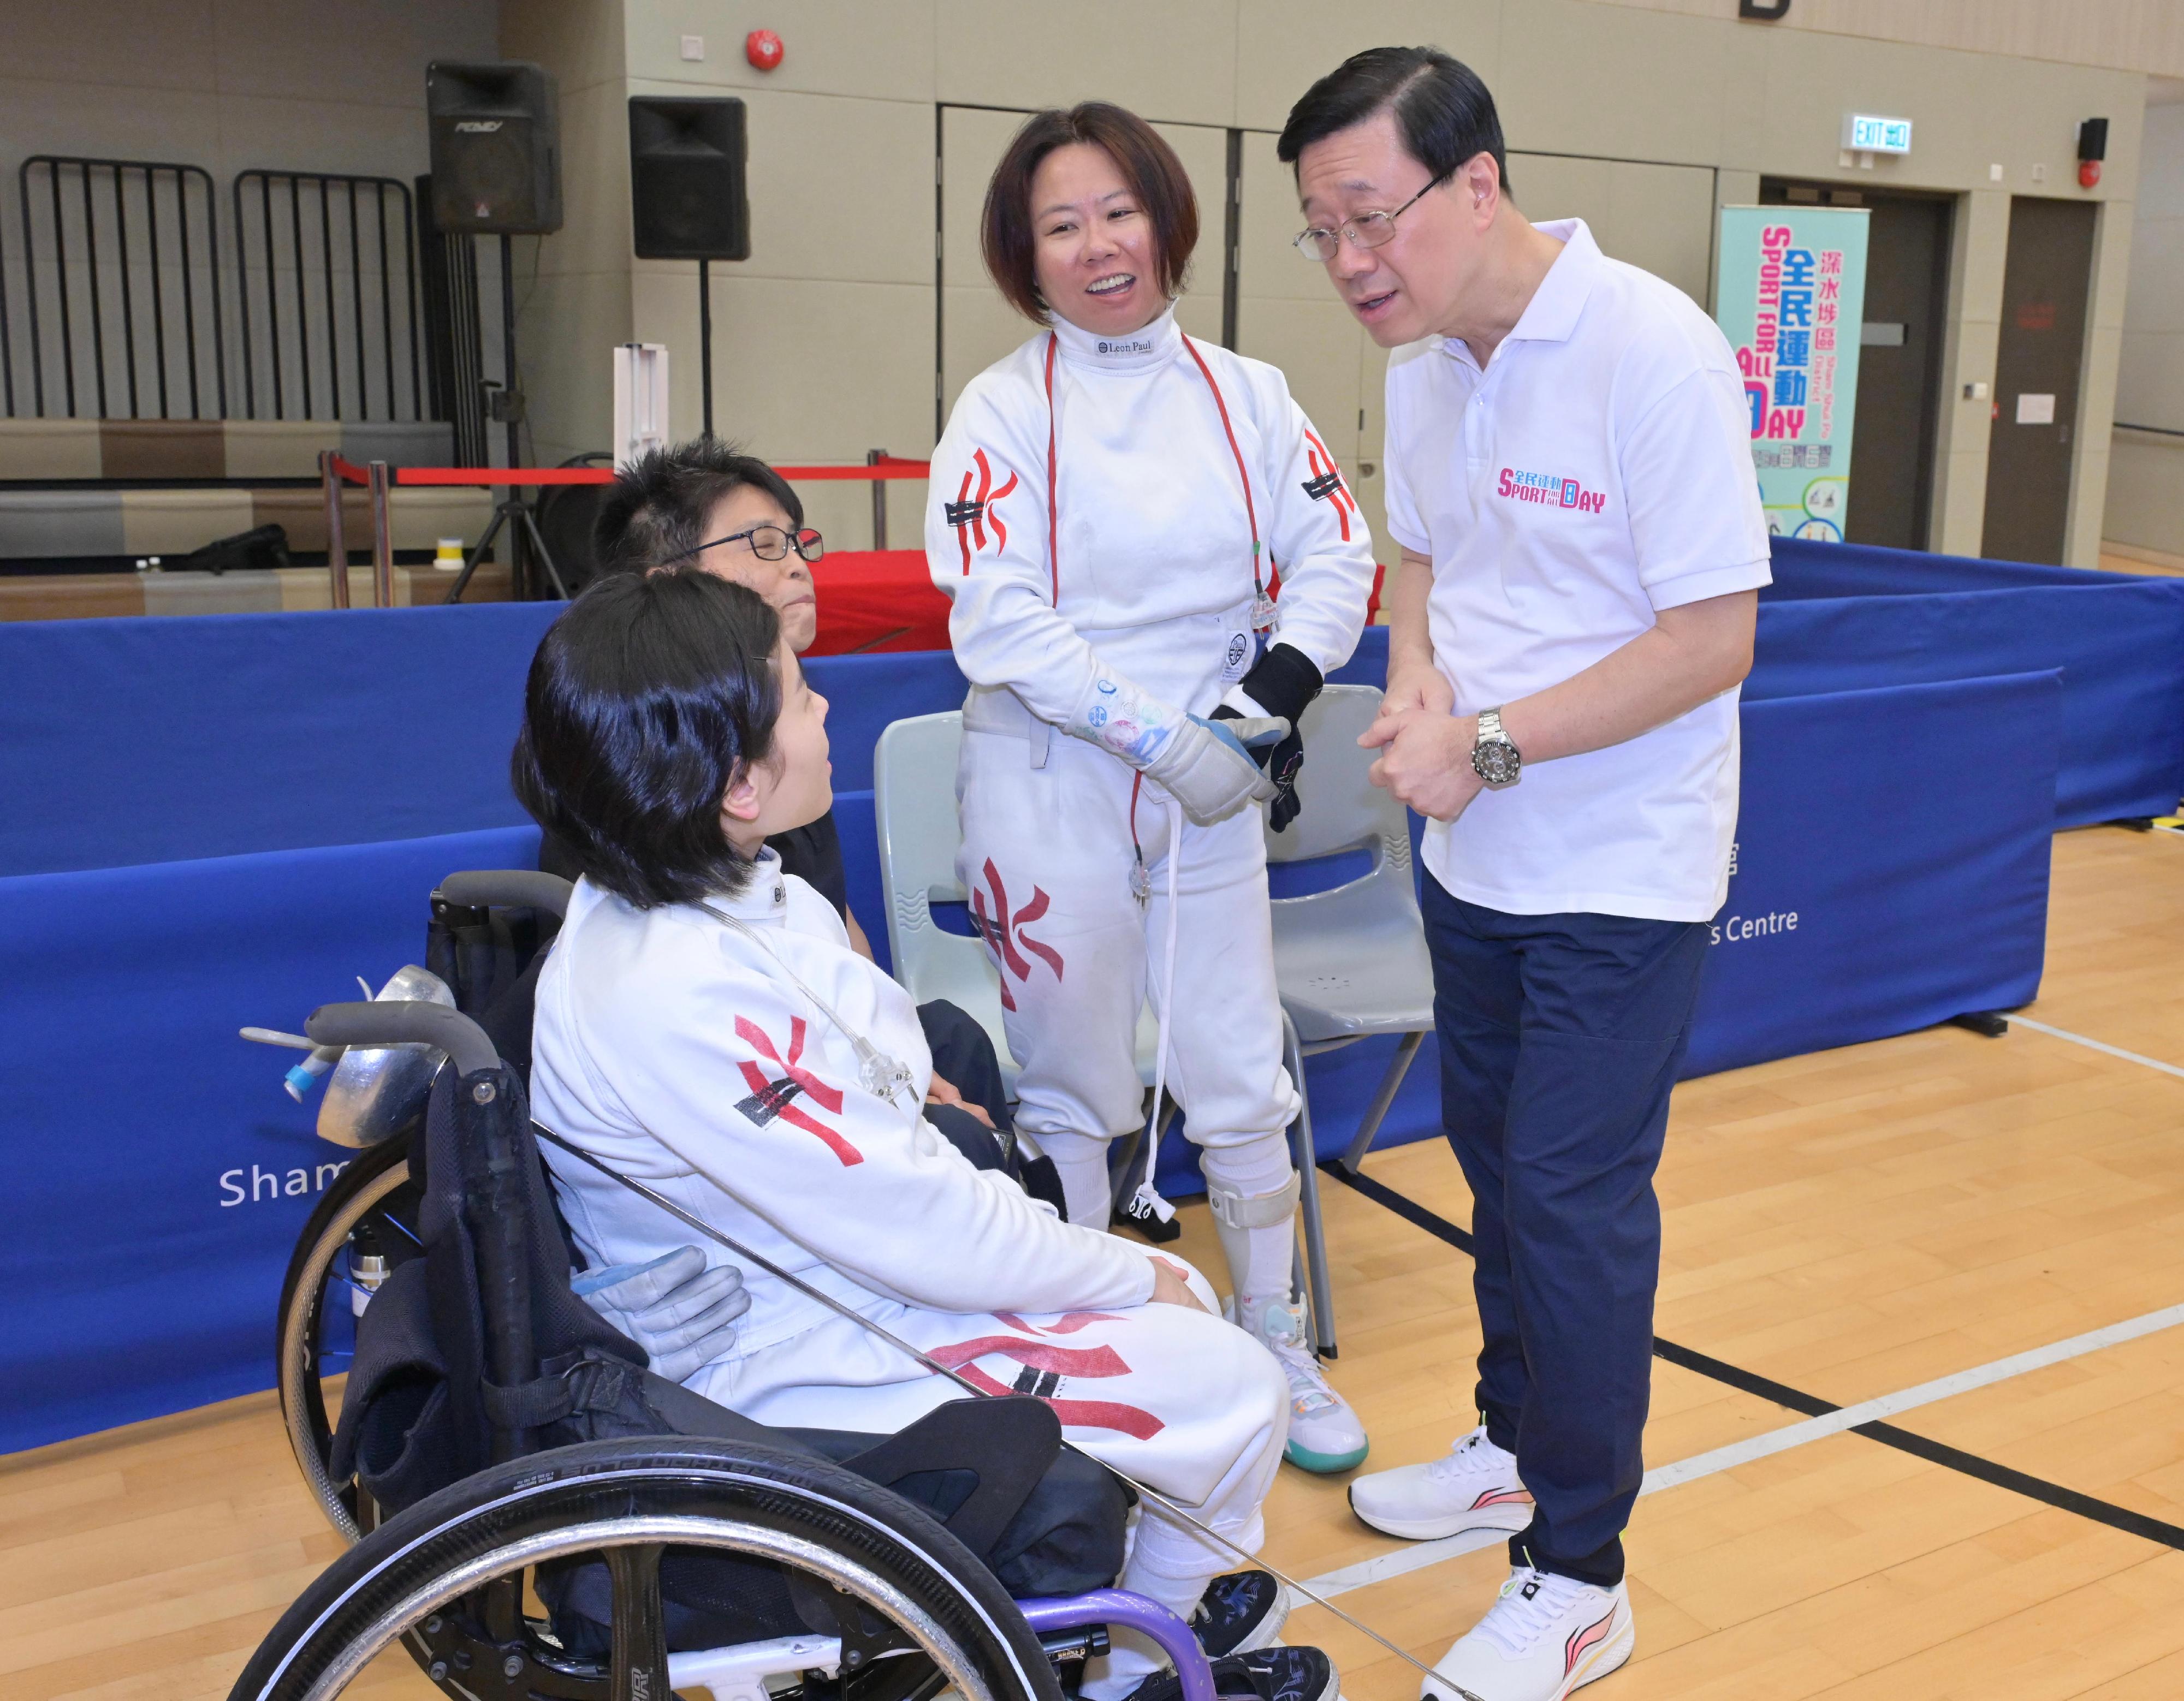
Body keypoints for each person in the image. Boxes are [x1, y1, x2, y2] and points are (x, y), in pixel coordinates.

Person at [518, 568, 1336, 1701]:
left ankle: (1147, 1619)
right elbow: (916, 1225)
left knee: (1175, 1330)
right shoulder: (669, 991)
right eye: (797, 696)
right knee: (1235, 1384)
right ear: (739, 783)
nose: (820, 713)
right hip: (791, 1350)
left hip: (841, 1277)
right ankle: (1134, 1650)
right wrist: (1125, 1270)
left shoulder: (732, 899)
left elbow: (895, 1135)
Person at [1278, 47, 1770, 1701]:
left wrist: (1484, 744)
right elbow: (1422, 551)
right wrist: (1418, 678)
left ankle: (1581, 1571)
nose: (1350, 261)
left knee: (1569, 1206)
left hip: (1621, 871)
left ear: (1474, 184)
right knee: (1495, 1167)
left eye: (1369, 217)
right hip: (1472, 855)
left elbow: (1714, 637)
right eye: (1319, 230)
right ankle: (1513, 1438)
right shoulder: (1429, 363)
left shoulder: (1654, 353)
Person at [925, 102, 1381, 1474]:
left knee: (1239, 1074)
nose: (1096, 247)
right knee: (1072, 1085)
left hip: (1212, 786)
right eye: (1060, 226)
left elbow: (1335, 557)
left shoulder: (1248, 394)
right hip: (1048, 784)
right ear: (1025, 254)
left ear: (1166, 218)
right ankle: (1088, 1344)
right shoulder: (1001, 409)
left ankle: (1274, 1336)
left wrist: (1247, 722)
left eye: (1117, 212)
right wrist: (1153, 733)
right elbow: (994, 613)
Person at [542, 442, 1019, 1168]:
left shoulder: (778, 734)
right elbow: (726, 1040)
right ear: (669, 584)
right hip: (733, 1086)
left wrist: (899, 1059)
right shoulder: (646, 770)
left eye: (797, 542)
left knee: (951, 1037)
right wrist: (896, 1093)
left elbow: (832, 920)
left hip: (814, 1039)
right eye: (763, 543)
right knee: (956, 1145)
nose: (797, 564)